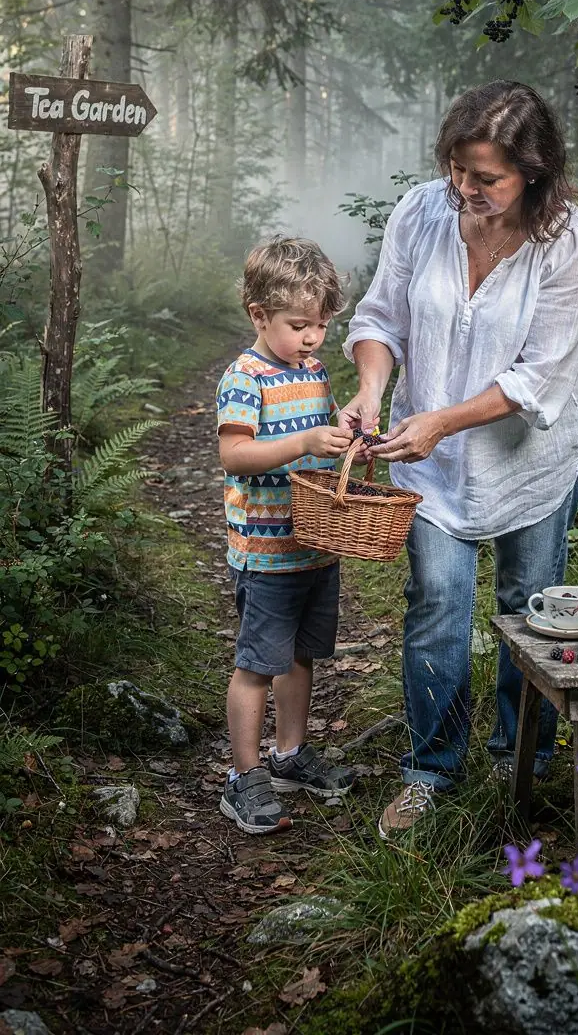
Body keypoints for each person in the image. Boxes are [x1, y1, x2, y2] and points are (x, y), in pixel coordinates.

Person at [339, 81, 578, 838]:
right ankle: (431, 770)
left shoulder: (569, 240)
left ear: (535, 173)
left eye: (486, 178)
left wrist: (442, 422)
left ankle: (521, 764)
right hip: (429, 460)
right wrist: (370, 387)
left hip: (531, 458)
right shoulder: (423, 212)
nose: (466, 189)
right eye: (458, 169)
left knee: (530, 612)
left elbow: (538, 374)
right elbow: (381, 315)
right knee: (438, 607)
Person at [216, 236, 357, 835]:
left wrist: (340, 428)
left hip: (313, 546)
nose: (311, 338)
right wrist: (301, 444)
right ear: (259, 316)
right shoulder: (245, 378)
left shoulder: (315, 371)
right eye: (298, 325)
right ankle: (243, 776)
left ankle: (290, 755)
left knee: (300, 658)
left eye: (320, 326)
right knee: (257, 663)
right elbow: (236, 454)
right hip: (265, 551)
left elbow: (316, 437)